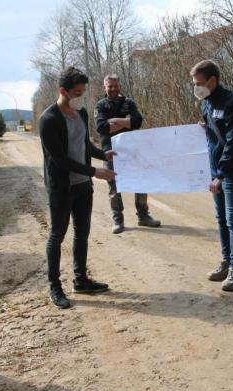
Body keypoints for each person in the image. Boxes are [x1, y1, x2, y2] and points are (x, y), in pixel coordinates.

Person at [38, 67, 116, 309]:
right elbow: (60, 160)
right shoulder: (48, 120)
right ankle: (55, 287)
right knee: (57, 235)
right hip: (61, 188)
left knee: (82, 233)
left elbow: (84, 146)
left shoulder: (81, 113)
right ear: (63, 91)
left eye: (83, 92)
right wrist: (95, 171)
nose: (81, 97)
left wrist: (103, 154)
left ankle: (81, 280)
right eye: (77, 93)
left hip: (83, 186)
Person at [191, 60, 233, 292]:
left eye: (199, 83)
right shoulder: (206, 103)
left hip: (230, 172)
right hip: (214, 171)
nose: (196, 88)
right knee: (221, 219)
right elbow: (215, 137)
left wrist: (221, 175)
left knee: (232, 220)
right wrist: (205, 129)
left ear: (212, 80)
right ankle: (225, 261)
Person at [94, 74, 161, 234]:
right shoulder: (100, 105)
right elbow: (102, 127)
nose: (113, 89)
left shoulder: (129, 102)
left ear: (120, 86)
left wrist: (114, 121)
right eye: (110, 86)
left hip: (132, 150)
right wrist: (126, 122)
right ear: (105, 87)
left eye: (115, 86)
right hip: (110, 152)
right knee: (114, 186)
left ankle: (143, 216)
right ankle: (118, 220)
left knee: (141, 182)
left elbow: (138, 121)